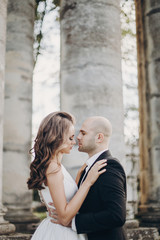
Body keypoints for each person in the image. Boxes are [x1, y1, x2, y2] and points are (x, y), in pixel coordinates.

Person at [27, 112, 107, 240]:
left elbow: (65, 196)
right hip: (60, 233)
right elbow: (64, 217)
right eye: (70, 138)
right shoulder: (53, 168)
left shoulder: (56, 165)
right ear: (56, 138)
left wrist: (79, 176)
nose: (74, 142)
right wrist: (88, 182)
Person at [49, 116, 127, 240]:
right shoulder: (88, 168)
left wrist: (73, 222)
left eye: (83, 133)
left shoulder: (109, 166)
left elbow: (116, 215)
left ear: (99, 138)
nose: (78, 137)